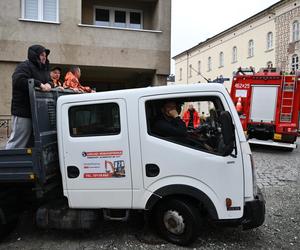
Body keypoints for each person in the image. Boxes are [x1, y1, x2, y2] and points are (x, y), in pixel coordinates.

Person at [6, 45, 52, 149]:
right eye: (41, 55)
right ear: (34, 55)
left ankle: (25, 165)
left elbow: (49, 81)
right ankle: (7, 164)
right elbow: (18, 80)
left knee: (31, 144)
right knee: (18, 142)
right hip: (23, 112)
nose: (44, 57)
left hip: (37, 113)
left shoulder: (43, 69)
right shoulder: (24, 66)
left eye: (45, 55)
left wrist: (50, 84)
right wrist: (38, 84)